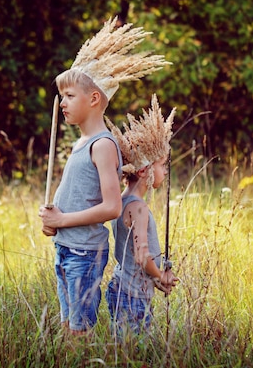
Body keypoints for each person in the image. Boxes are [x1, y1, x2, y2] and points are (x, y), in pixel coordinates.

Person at [38, 17, 170, 335]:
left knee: (78, 331)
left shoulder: (103, 145)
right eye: (62, 96)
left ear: (94, 99)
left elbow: (111, 207)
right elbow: (74, 195)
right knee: (68, 325)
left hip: (84, 251)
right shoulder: (82, 142)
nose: (62, 102)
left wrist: (62, 221)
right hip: (68, 247)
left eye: (69, 95)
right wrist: (51, 217)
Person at [105, 94, 179, 336]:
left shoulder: (122, 200)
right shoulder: (138, 208)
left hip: (124, 288)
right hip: (132, 296)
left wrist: (155, 279)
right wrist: (162, 275)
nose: (165, 171)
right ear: (146, 169)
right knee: (134, 354)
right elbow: (141, 255)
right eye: (162, 164)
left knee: (126, 351)